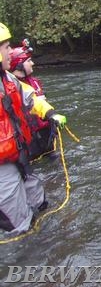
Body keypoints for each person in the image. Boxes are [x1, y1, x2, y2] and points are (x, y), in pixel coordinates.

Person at [0, 23, 66, 234]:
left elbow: (31, 98)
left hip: (19, 156)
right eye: (6, 46)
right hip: (3, 168)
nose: (10, 51)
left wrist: (50, 113)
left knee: (40, 204)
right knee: (19, 224)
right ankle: (26, 260)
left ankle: (48, 244)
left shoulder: (9, 79)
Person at [9, 40, 55, 160]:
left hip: (45, 133)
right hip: (28, 140)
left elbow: (40, 104)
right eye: (28, 61)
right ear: (19, 65)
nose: (32, 63)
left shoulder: (34, 82)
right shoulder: (11, 87)